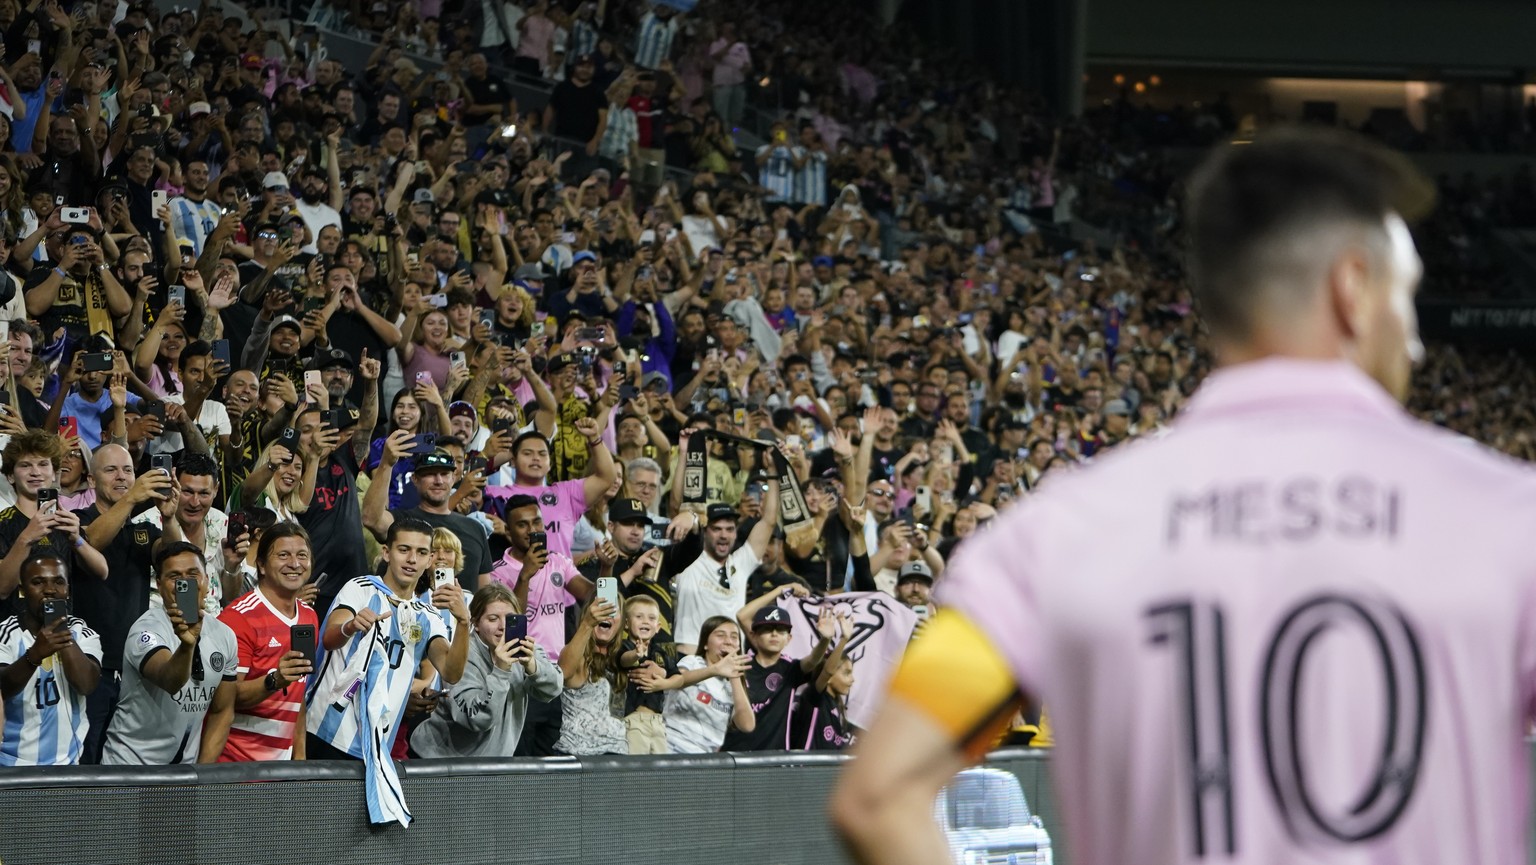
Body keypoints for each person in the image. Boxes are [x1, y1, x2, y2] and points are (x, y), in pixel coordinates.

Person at [832, 128, 1500, 864]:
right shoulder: (1500, 517)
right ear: (1352, 288)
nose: (1416, 344)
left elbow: (877, 798)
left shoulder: (1056, 534)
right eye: (1406, 298)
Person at [306, 518, 470, 767]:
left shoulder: (429, 617)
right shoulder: (360, 589)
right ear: (387, 552)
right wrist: (349, 627)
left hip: (376, 743)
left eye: (421, 552)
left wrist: (464, 622)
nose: (412, 559)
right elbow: (329, 639)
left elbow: (451, 671)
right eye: (404, 550)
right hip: (326, 731)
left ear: (429, 560)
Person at [74, 441, 182, 764]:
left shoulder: (143, 531)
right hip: (91, 666)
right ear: (92, 481)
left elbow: (174, 561)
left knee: (126, 759)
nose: (122, 477)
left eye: (128, 470)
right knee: (89, 756)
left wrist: (170, 518)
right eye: (111, 470)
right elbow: (92, 540)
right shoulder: (77, 521)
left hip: (135, 669)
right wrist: (134, 496)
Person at [100, 542, 238, 765]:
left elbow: (223, 711)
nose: (185, 582)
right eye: (175, 576)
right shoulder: (146, 629)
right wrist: (186, 646)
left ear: (206, 579)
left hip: (184, 773)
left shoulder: (225, 635)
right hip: (131, 766)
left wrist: (201, 773)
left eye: (193, 574)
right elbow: (169, 680)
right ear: (159, 584)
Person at [409, 583, 562, 758]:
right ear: (476, 623)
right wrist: (500, 671)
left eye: (510, 618)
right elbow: (477, 719)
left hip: (493, 761)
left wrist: (532, 665)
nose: (503, 626)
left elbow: (554, 688)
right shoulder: (462, 657)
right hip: (441, 760)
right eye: (493, 618)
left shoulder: (524, 649)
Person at [216, 522, 320, 762]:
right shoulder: (238, 618)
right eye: (283, 555)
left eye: (302, 555)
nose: (294, 564)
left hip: (281, 769)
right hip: (235, 765)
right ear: (261, 565)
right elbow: (225, 697)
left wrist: (300, 761)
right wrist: (274, 681)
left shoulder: (308, 617)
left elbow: (298, 693)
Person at [0, 549, 102, 765]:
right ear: (22, 590)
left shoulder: (83, 633)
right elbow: (3, 688)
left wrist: (61, 634)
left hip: (67, 765)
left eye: (58, 582)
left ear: (67, 590)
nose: (49, 590)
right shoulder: (6, 634)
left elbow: (86, 685)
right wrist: (34, 655)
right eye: (38, 582)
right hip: (11, 766)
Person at [723, 588, 834, 752]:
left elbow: (812, 661)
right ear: (753, 636)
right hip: (734, 755)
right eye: (767, 629)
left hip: (774, 760)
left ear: (789, 638)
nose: (774, 634)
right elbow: (742, 615)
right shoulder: (738, 665)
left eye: (781, 630)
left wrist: (825, 639)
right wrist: (780, 590)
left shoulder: (790, 670)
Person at [661, 615, 756, 754]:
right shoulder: (693, 662)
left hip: (704, 761)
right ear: (705, 643)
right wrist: (714, 669)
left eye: (734, 637)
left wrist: (734, 676)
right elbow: (676, 681)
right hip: (670, 749)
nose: (728, 641)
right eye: (721, 635)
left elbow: (747, 725)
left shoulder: (732, 687)